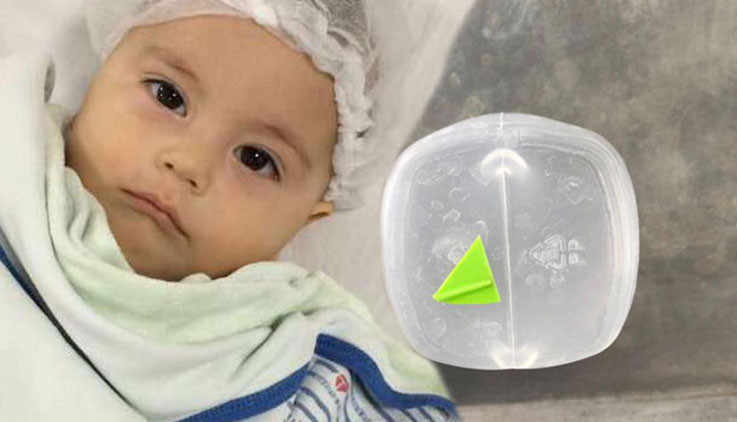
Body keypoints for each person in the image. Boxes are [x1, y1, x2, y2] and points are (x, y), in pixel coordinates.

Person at [0, 0, 461, 420]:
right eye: (168, 96)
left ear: (306, 219)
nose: (188, 163)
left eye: (255, 159)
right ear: (103, 68)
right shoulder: (12, 152)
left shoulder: (288, 366)